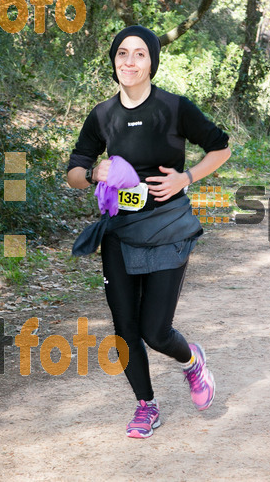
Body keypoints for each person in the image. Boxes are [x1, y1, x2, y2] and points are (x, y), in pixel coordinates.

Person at [66, 25, 231, 438]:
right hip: (120, 231)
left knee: (155, 330)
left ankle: (192, 361)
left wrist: (186, 177)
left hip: (168, 227)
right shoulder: (102, 115)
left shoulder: (174, 108)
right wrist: (92, 172)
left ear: (152, 62)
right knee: (125, 328)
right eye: (123, 53)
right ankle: (146, 405)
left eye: (140, 54)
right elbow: (73, 171)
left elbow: (221, 146)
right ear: (114, 61)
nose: (130, 61)